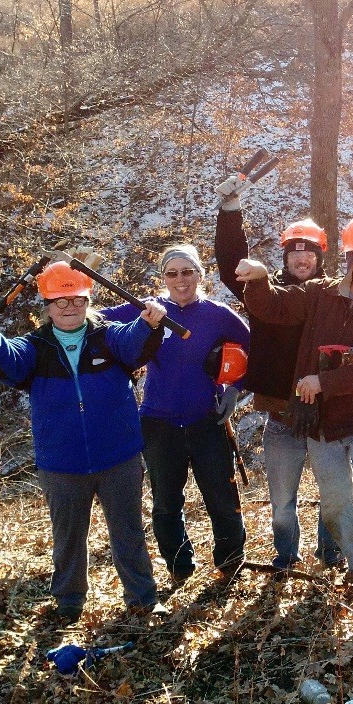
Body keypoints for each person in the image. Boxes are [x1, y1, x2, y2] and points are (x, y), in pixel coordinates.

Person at [216, 183, 353, 573]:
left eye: (310, 251)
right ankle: (322, 564)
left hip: (347, 415)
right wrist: (254, 263)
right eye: (294, 251)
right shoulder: (304, 294)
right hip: (300, 417)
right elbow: (256, 287)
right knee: (310, 503)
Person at [0, 261, 168, 622]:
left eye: (77, 299)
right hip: (61, 462)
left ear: (88, 299)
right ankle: (70, 601)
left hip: (118, 456)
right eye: (61, 301)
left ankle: (142, 597)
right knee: (68, 538)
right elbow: (10, 358)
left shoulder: (107, 335)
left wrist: (149, 322)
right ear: (47, 305)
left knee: (128, 533)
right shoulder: (36, 346)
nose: (70, 307)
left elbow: (133, 340)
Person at [100, 245, 251, 583]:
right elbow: (95, 319)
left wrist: (235, 389)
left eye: (188, 272)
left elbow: (257, 348)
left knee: (222, 498)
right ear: (163, 278)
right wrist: (75, 276)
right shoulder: (150, 310)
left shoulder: (218, 313)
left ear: (200, 274)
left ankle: (230, 563)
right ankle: (179, 566)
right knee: (166, 503)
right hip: (158, 422)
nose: (180, 280)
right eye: (172, 273)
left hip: (207, 419)